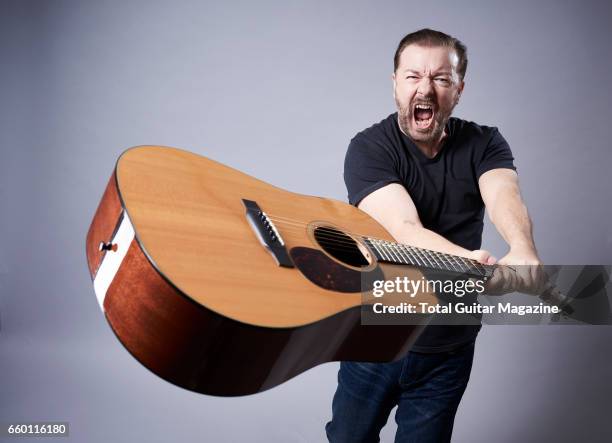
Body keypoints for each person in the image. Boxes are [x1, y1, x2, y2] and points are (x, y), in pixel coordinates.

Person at [325, 28, 543, 442]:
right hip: (377, 337)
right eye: (413, 76)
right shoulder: (370, 148)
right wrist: (474, 267)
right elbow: (404, 229)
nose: (425, 88)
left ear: (458, 89)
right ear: (395, 83)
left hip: (449, 344)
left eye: (441, 79)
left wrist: (523, 249)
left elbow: (503, 194)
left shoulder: (485, 142)